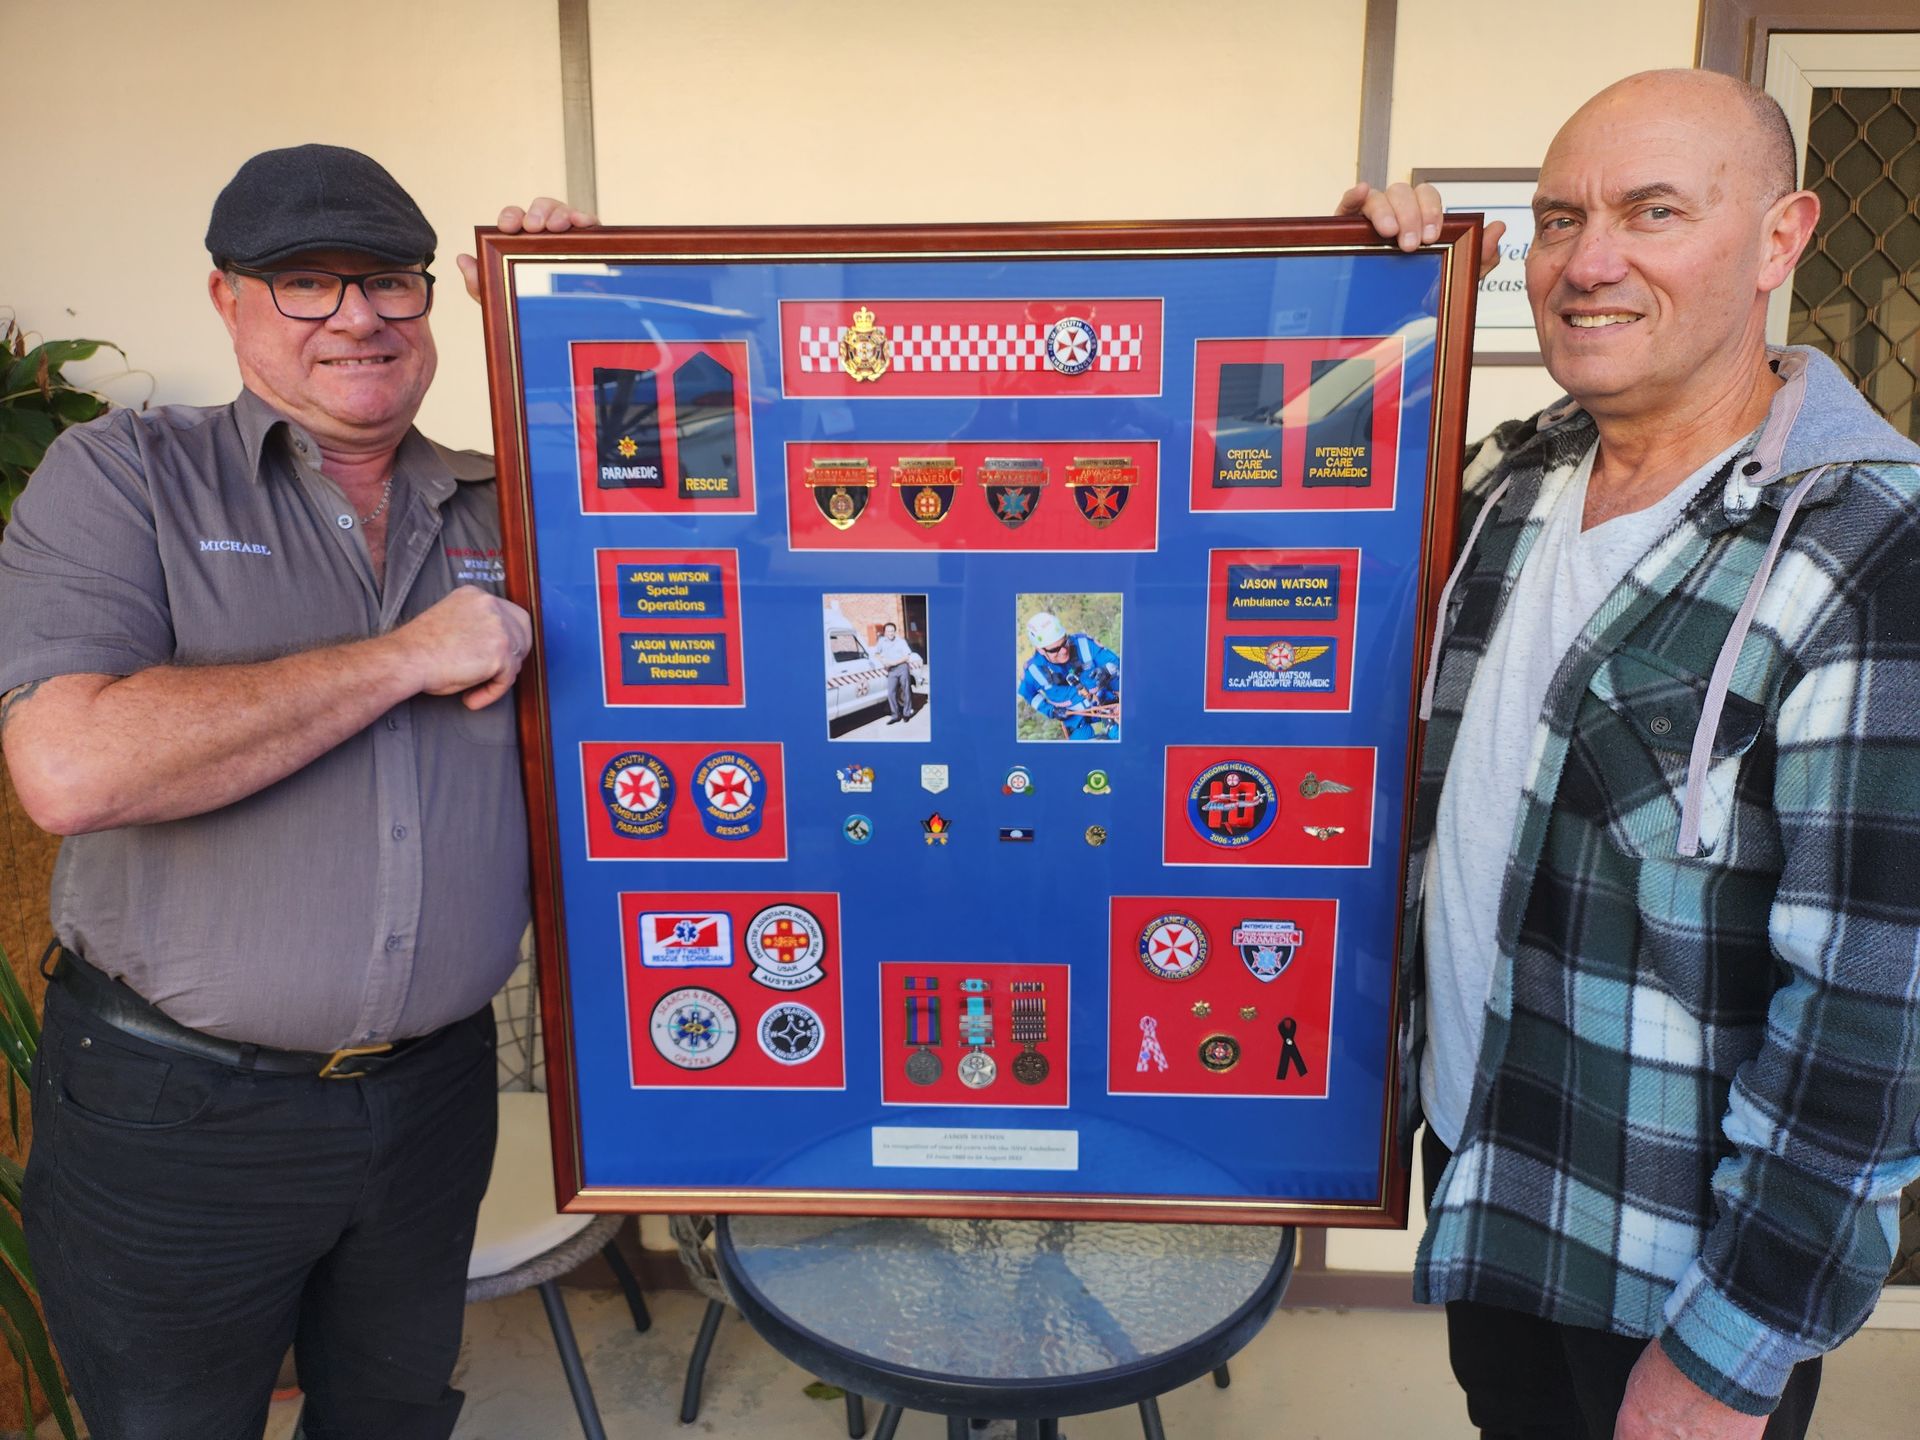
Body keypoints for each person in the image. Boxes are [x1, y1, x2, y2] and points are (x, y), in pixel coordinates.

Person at [1343, 70, 1920, 1440]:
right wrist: (1336, 298)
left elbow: (1875, 1018)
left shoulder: (1867, 547)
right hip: (1496, 1172)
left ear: (1781, 238)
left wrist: (1730, 1354)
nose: (1588, 262)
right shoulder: (1505, 482)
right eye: (1557, 219)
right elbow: (1225, 510)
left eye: (1652, 212)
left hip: (1672, 1259)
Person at [0, 145, 594, 1440]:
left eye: (388, 279)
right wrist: (406, 658)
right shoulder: (124, 480)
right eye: (306, 283)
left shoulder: (517, 505)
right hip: (174, 1116)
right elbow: (71, 768)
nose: (358, 317)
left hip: (432, 1099)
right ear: (229, 301)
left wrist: (591, 310)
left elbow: (747, 521)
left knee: (389, 1415)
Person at [1017, 610, 1120, 740]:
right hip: (1075, 720)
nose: (1064, 650)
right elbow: (1029, 695)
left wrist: (1106, 670)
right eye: (1055, 649)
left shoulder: (1084, 644)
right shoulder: (1033, 671)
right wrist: (1051, 710)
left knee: (1120, 735)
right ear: (1040, 650)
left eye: (1064, 642)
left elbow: (1115, 662)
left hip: (1107, 705)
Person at [869, 619, 921, 723]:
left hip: (902, 668)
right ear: (884, 632)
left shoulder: (901, 641)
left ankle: (906, 713)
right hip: (891, 670)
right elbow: (876, 654)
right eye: (888, 631)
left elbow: (907, 656)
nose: (890, 633)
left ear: (895, 631)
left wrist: (894, 662)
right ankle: (895, 715)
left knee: (905, 691)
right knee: (891, 693)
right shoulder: (881, 641)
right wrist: (883, 660)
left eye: (892, 631)